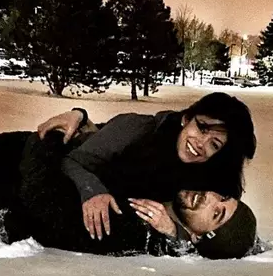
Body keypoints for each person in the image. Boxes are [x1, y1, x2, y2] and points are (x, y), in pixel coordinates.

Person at [0, 130, 257, 259]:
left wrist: (43, 141)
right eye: (221, 196)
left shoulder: (137, 228)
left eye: (217, 213)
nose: (209, 198)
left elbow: (44, 203)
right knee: (3, 148)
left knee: (10, 146)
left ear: (198, 237)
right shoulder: (161, 202)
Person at [37, 92, 256, 241]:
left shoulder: (204, 187)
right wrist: (93, 191)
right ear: (186, 119)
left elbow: (214, 235)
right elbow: (72, 160)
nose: (201, 144)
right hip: (46, 162)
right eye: (202, 128)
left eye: (214, 144)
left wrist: (173, 232)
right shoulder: (137, 128)